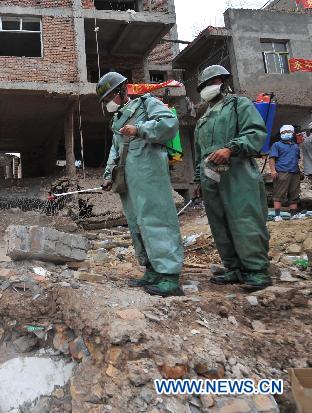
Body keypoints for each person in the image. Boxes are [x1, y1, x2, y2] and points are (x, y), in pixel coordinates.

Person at [97, 72, 184, 297]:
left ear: (121, 91)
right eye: (104, 101)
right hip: (128, 177)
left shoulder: (147, 104)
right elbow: (115, 150)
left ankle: (169, 276)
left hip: (150, 173)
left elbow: (169, 123)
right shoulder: (117, 120)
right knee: (136, 223)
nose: (107, 103)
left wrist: (140, 129)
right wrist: (108, 175)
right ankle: (152, 270)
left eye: (109, 98)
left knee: (157, 219)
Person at [193, 65, 270, 291]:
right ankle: (234, 268)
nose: (208, 88)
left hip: (237, 170)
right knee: (220, 222)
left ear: (222, 81)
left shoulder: (239, 104)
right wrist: (198, 180)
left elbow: (255, 133)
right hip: (211, 176)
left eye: (212, 83)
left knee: (244, 217)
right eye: (204, 85)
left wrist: (231, 148)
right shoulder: (203, 119)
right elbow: (200, 153)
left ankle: (256, 270)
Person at [269, 125, 301, 221]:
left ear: (292, 133)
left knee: (294, 195)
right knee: (279, 194)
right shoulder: (276, 145)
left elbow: (296, 159)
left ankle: (293, 215)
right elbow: (272, 159)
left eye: (288, 131)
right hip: (282, 172)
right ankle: (277, 216)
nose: (285, 133)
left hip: (294, 172)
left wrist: (299, 172)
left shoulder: (296, 146)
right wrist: (273, 171)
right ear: (280, 134)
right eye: (283, 132)